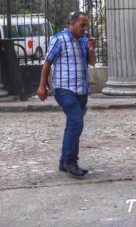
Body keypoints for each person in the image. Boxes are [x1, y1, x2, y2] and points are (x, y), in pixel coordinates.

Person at [37, 11, 96, 178]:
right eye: (82, 25)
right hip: (64, 88)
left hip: (81, 89)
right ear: (72, 23)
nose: (85, 29)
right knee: (77, 122)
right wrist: (42, 86)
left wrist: (91, 50)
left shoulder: (84, 41)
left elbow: (91, 62)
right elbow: (47, 62)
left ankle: (64, 161)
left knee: (73, 124)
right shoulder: (59, 39)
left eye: (86, 26)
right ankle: (71, 161)